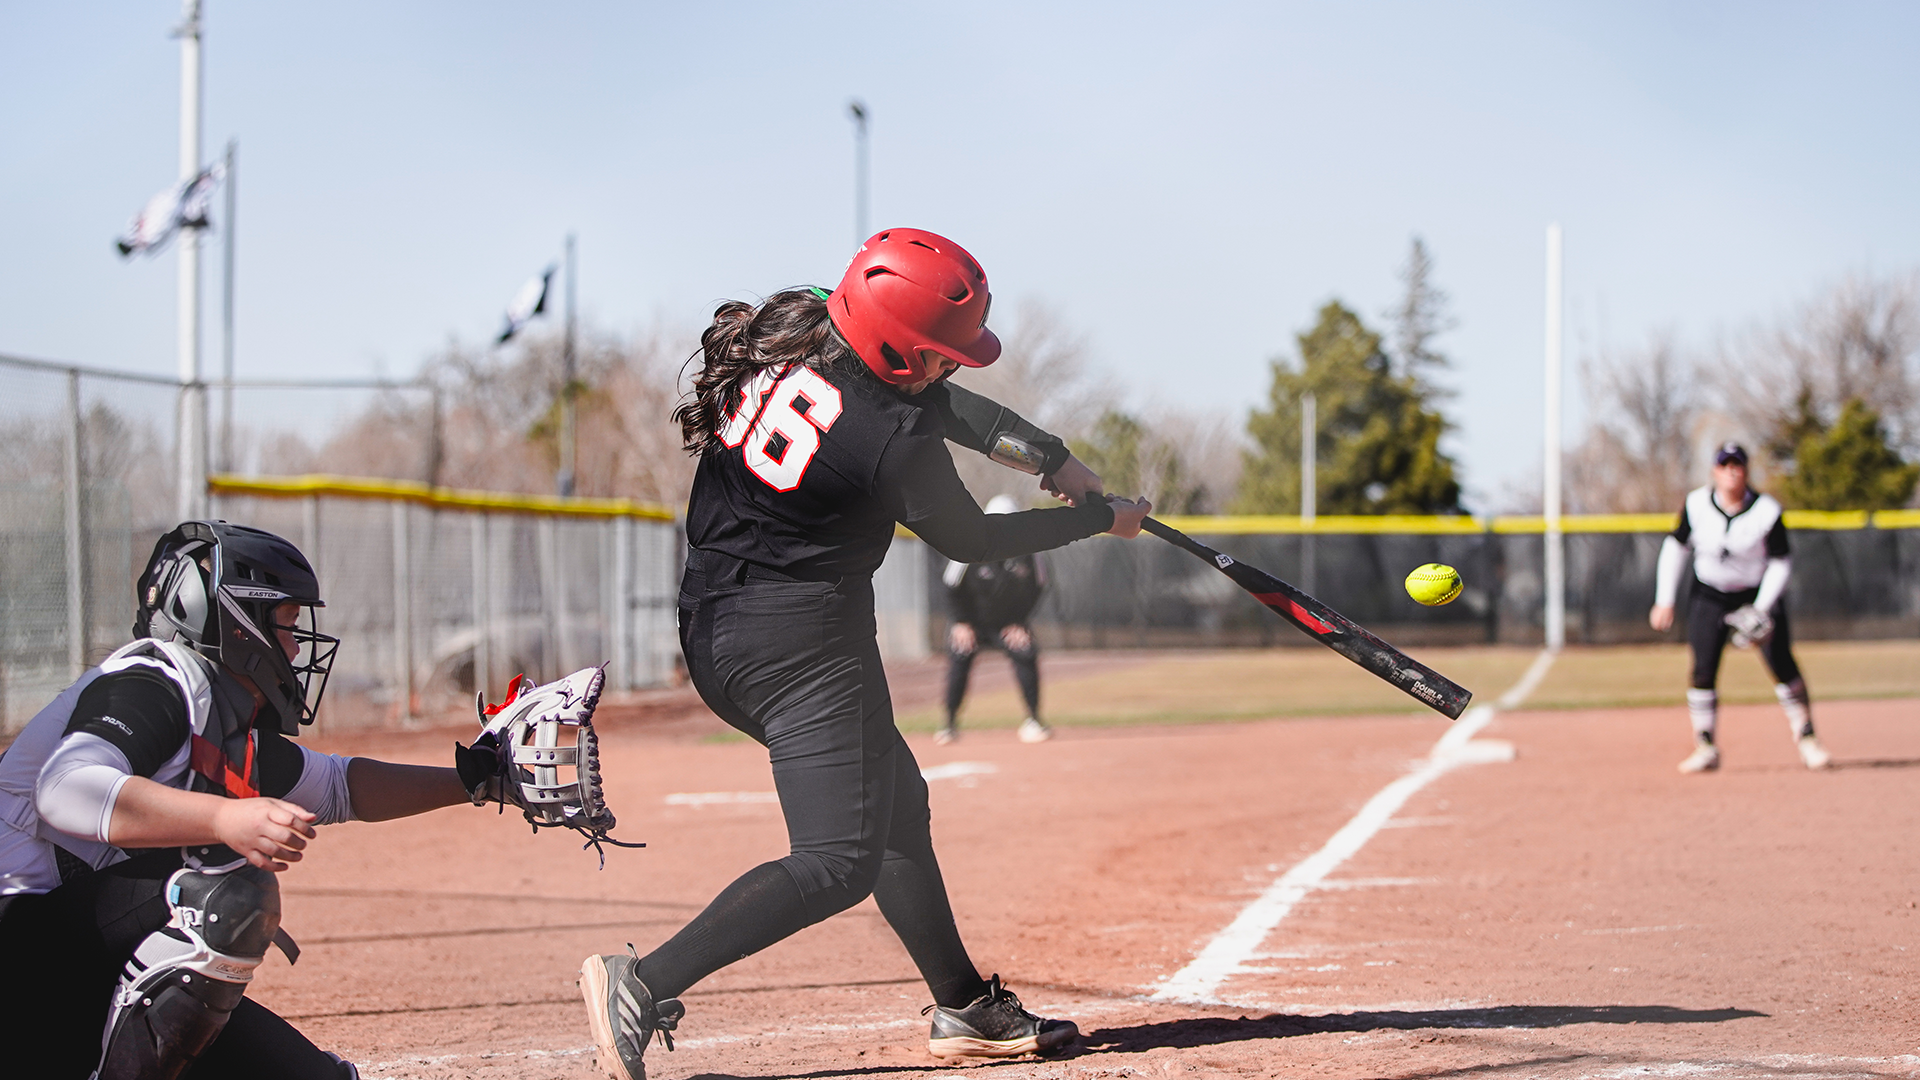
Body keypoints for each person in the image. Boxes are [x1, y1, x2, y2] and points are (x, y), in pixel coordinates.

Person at [578, 229, 1151, 1079]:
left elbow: (945, 407)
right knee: (838, 860)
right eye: (939, 355)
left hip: (715, 619)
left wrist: (1057, 460)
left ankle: (963, 1007)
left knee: (896, 807)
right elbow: (967, 539)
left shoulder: (805, 327)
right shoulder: (891, 437)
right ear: (894, 344)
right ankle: (643, 980)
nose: (949, 370)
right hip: (797, 646)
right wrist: (1098, 518)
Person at [0, 521, 531, 1080]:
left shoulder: (219, 722)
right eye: (287, 624)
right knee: (222, 894)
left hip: (70, 974)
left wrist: (484, 776)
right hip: (22, 962)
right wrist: (225, 816)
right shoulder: (152, 682)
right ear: (233, 619)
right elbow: (64, 787)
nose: (298, 646)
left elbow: (341, 787)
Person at [1649, 443, 1831, 773]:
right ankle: (1705, 745)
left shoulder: (1767, 511)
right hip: (1710, 593)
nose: (1731, 470)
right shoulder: (1696, 504)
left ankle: (1807, 739)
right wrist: (1665, 598)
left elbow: (1781, 562)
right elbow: (1675, 548)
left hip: (1756, 593)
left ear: (1746, 470)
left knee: (1782, 663)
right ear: (1715, 471)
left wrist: (1761, 609)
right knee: (1703, 668)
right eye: (1724, 464)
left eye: (1738, 465)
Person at [939, 494, 1051, 744]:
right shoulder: (970, 547)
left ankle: (1034, 719)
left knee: (1025, 651)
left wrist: (1020, 623)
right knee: (960, 655)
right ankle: (949, 723)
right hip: (972, 623)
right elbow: (950, 586)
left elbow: (1039, 586)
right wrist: (961, 623)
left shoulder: (1029, 552)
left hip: (1008, 624)